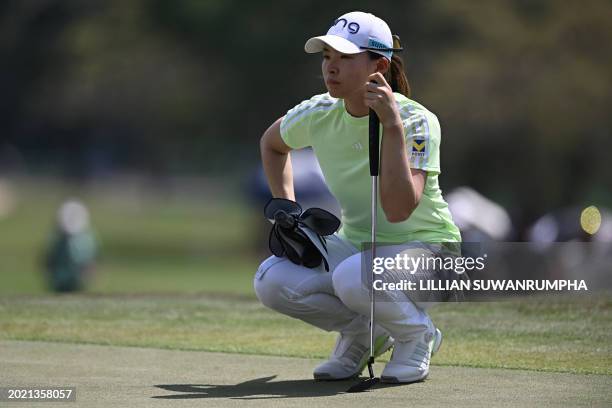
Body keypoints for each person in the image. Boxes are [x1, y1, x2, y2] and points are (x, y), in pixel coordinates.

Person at [255, 11, 462, 384]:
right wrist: (286, 209)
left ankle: (417, 335)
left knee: (354, 276)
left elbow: (399, 210)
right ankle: (367, 333)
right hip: (359, 248)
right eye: (326, 57)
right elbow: (272, 145)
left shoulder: (416, 121)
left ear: (379, 65)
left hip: (434, 255)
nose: (331, 68)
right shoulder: (319, 112)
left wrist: (391, 126)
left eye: (345, 58)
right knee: (271, 279)